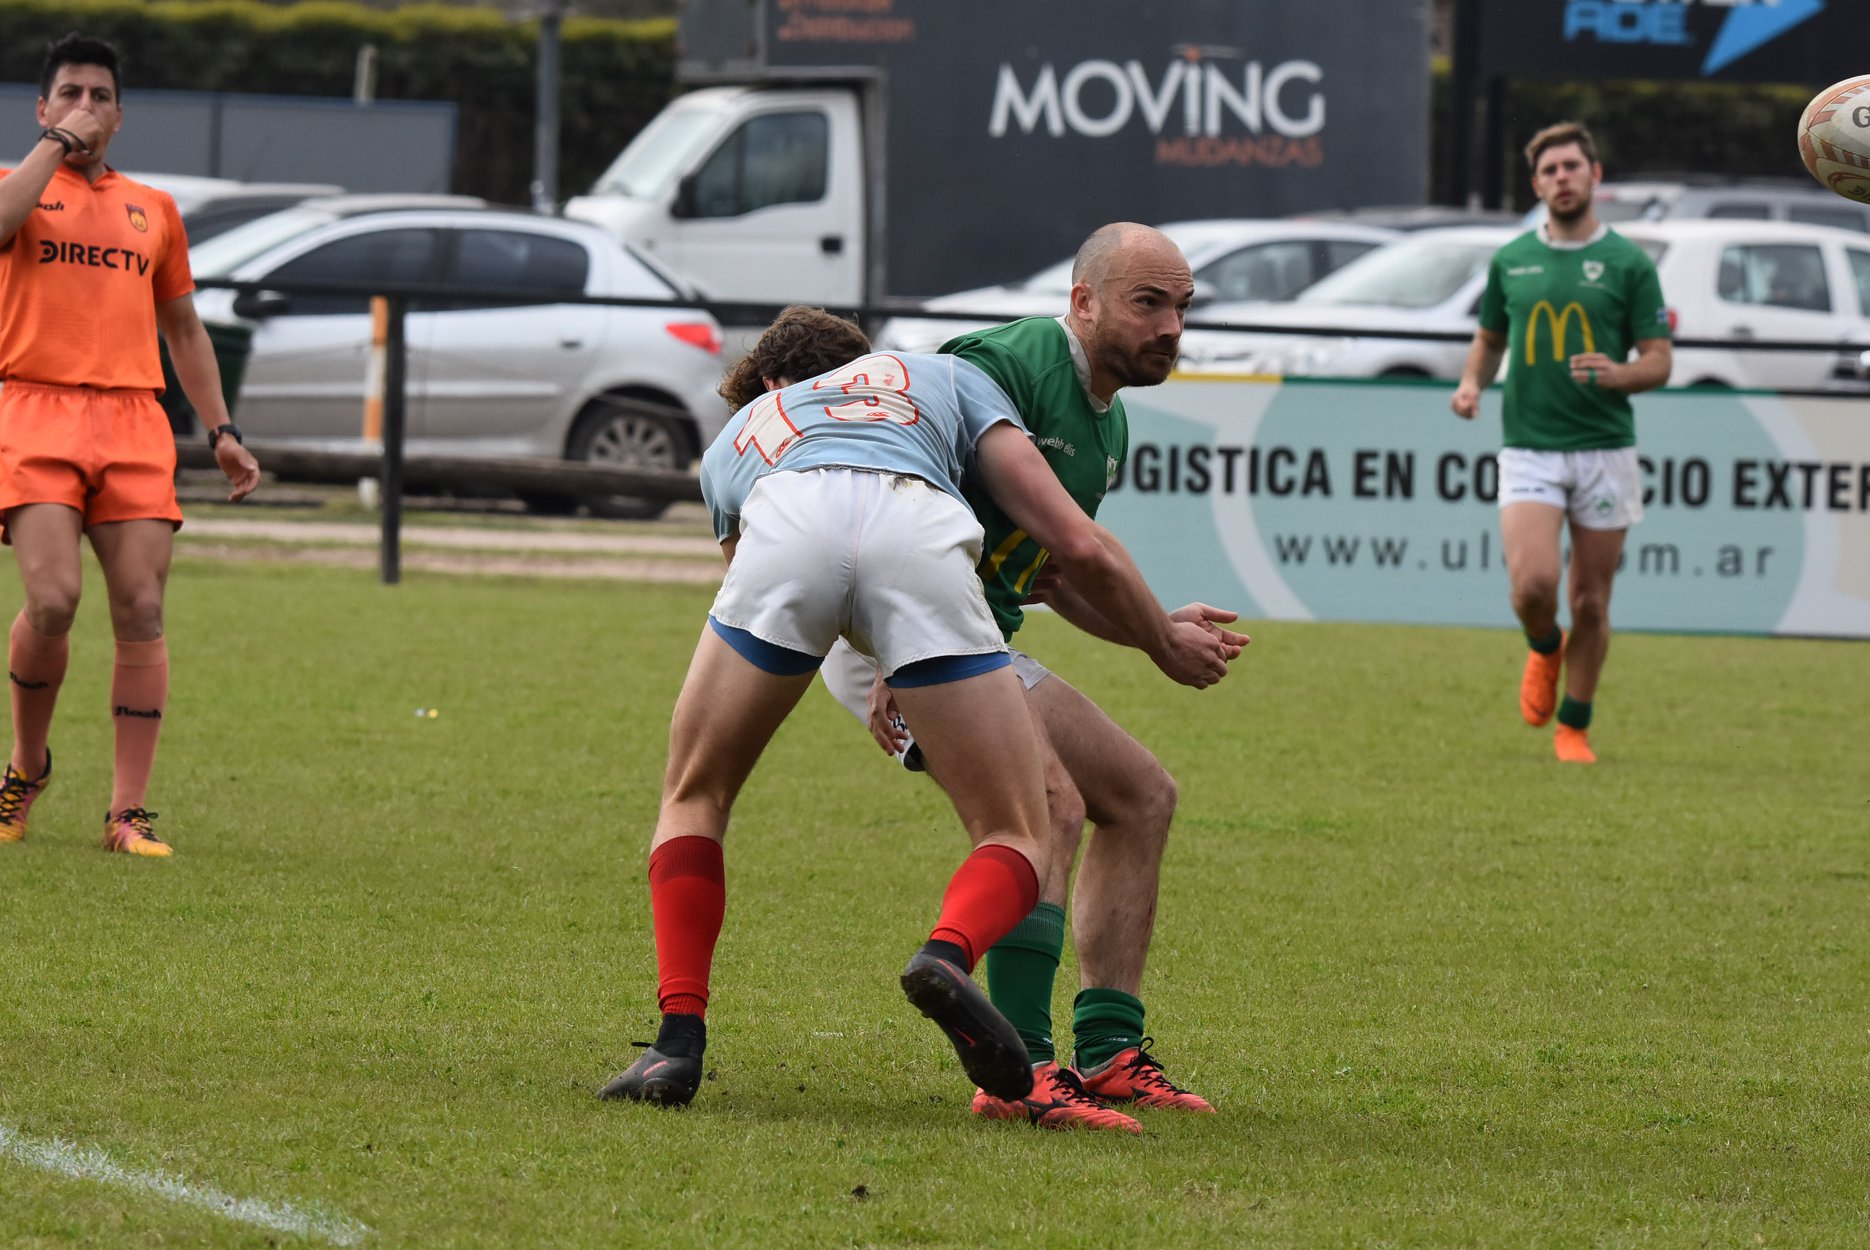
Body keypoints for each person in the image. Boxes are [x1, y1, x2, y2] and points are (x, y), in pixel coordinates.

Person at [598, 307, 1234, 1114]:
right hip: (917, 537)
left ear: (771, 379)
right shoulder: (945, 376)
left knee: (695, 792)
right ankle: (950, 957)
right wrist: (1158, 640)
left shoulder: (744, 430)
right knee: (1020, 826)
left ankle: (674, 1045)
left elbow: (753, 572)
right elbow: (1068, 544)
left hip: (790, 526)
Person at [819, 222, 1251, 1132]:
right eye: (1148, 303)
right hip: (894, 635)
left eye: (1182, 307)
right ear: (1080, 300)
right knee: (1046, 802)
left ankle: (1107, 1053)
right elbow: (899, 485)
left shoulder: (1107, 424)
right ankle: (1020, 1070)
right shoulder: (1003, 360)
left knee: (1139, 795)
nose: (1171, 325)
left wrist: (1152, 627)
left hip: (972, 635)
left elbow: (1052, 578)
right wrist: (901, 647)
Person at [0, 34, 261, 857]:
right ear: (43, 108)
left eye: (100, 96)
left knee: (142, 610)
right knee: (53, 600)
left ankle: (128, 813)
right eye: (70, 93)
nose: (86, 106)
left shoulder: (154, 207)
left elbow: (183, 327)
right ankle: (26, 766)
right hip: (34, 408)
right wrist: (52, 149)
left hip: (133, 419)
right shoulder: (17, 185)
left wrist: (221, 431)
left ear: (121, 114)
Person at [1451, 121, 1672, 765]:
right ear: (1536, 184)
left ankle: (1574, 727)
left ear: (1595, 175)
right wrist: (1470, 384)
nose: (1562, 178)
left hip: (1606, 447)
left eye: (1572, 167)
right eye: (1549, 171)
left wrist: (1619, 373)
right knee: (1534, 586)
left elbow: (1659, 360)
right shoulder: (1511, 259)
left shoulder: (1630, 264)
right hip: (1530, 445)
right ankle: (1544, 644)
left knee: (1591, 601)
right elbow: (1491, 338)